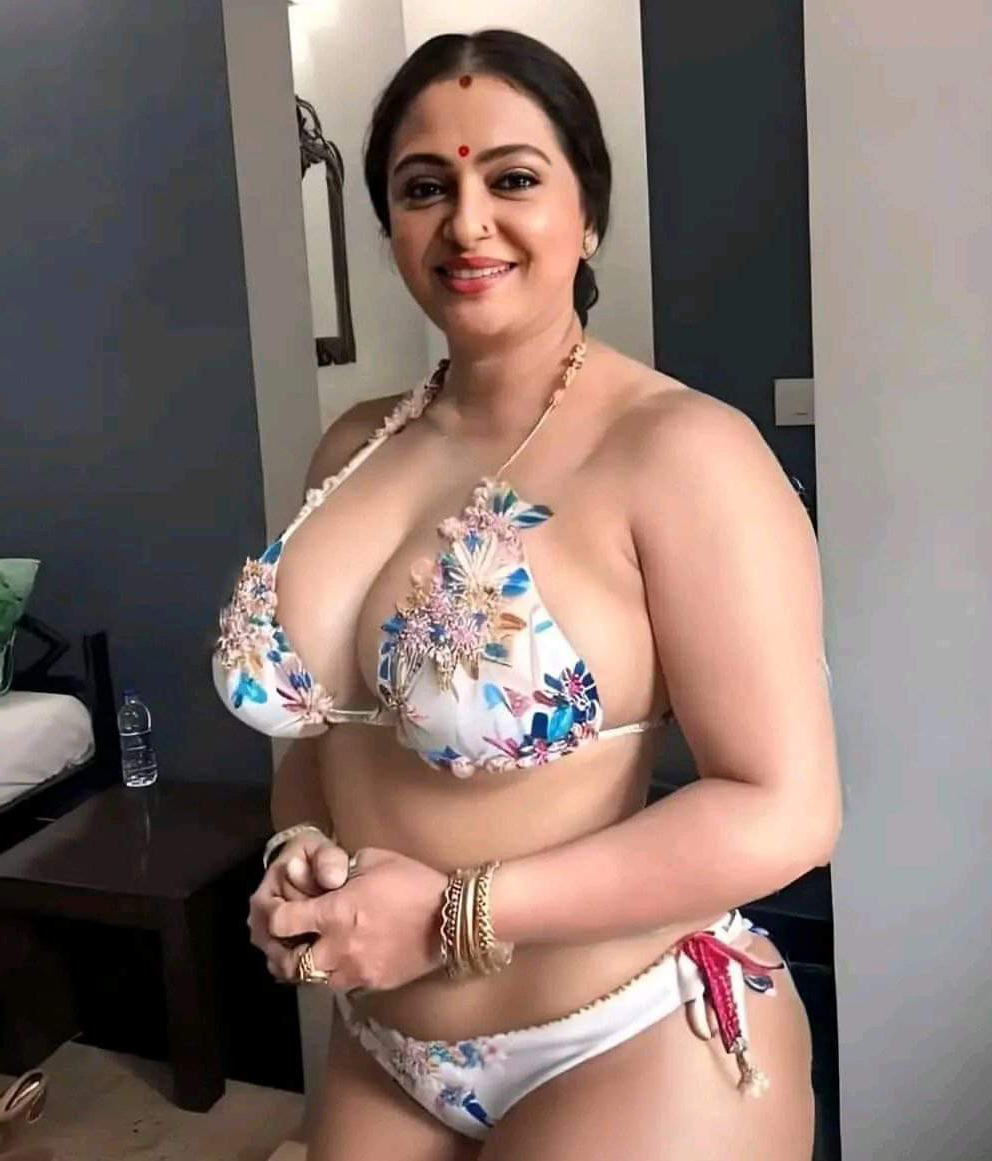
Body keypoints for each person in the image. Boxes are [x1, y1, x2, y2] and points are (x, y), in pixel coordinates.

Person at [216, 28, 841, 1161]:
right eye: (424, 188)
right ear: (388, 223)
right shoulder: (352, 447)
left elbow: (784, 808)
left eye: (511, 179)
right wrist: (297, 850)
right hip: (381, 1046)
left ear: (585, 212)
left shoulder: (683, 451)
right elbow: (323, 737)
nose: (466, 223)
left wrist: (452, 914)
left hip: (622, 1034)